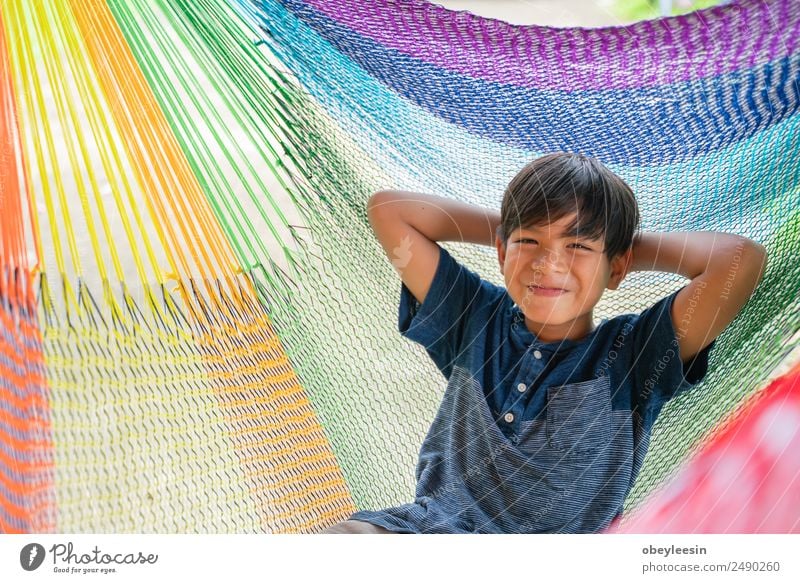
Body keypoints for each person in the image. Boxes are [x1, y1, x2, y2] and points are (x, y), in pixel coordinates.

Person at [321, 152, 767, 534]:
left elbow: (739, 261)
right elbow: (390, 210)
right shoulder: (472, 316)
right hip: (435, 531)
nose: (547, 263)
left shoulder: (635, 355)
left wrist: (615, 251)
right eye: (529, 242)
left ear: (616, 268)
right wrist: (518, 229)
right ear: (502, 252)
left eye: (576, 247)